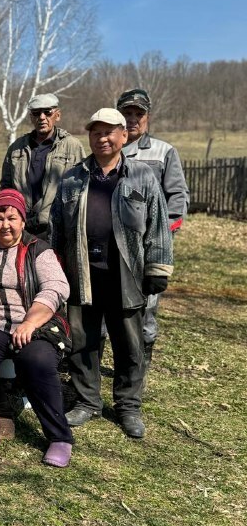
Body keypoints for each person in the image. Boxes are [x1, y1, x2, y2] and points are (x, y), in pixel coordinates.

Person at [50, 108, 173, 439]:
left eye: (108, 132)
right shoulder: (73, 178)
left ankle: (128, 405)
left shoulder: (142, 176)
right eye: (95, 133)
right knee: (82, 342)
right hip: (83, 274)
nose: (102, 138)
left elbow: (159, 227)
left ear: (122, 135)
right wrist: (54, 272)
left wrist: (158, 269)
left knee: (129, 343)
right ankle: (87, 401)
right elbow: (57, 230)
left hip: (126, 275)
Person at [0, 189, 73, 467]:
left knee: (37, 359)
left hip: (34, 324)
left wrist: (30, 322)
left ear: (22, 221)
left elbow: (57, 287)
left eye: (11, 218)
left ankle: (59, 436)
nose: (5, 225)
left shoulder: (38, 250)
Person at [117, 88, 189, 364]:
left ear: (148, 117)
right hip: (113, 243)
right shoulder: (109, 147)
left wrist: (161, 240)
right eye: (127, 113)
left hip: (148, 245)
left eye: (139, 113)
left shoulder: (163, 151)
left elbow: (177, 199)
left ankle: (141, 361)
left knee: (147, 305)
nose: (133, 119)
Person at [0, 93, 86, 240]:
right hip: (22, 228)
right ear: (31, 117)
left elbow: (82, 188)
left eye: (47, 112)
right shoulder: (16, 148)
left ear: (57, 115)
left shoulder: (72, 146)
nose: (41, 117)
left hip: (58, 228)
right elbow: (6, 187)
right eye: (36, 113)